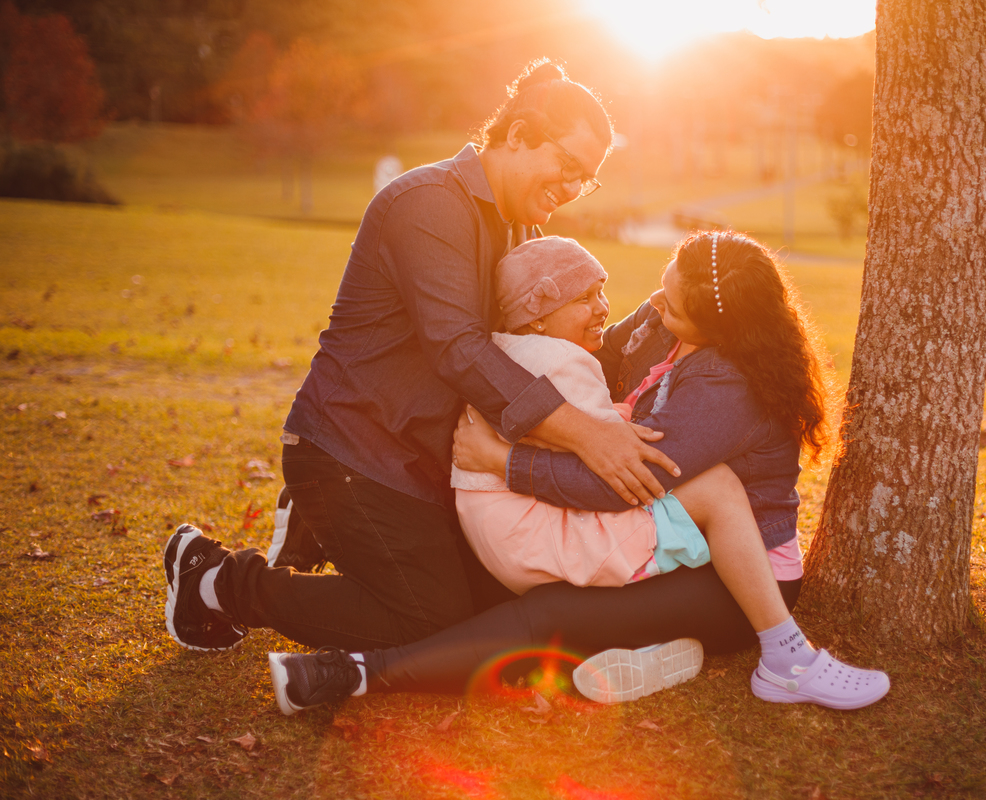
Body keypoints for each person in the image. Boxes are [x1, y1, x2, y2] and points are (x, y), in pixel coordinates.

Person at [162, 60, 680, 655]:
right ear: (517, 136)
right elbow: (460, 350)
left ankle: (312, 528)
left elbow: (551, 346)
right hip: (354, 451)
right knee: (431, 621)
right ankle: (217, 580)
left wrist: (666, 313)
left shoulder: (518, 230)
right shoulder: (430, 204)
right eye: (566, 167)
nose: (569, 190)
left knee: (493, 603)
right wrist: (587, 436)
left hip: (428, 468)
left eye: (584, 180)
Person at [266, 231, 891, 713]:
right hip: (669, 537)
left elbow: (613, 483)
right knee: (483, 584)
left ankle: (356, 675)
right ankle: (645, 654)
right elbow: (598, 347)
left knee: (545, 614)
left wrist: (503, 461)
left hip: (735, 582)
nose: (652, 306)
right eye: (662, 285)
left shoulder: (728, 386)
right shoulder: (667, 323)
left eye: (671, 307)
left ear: (720, 328)